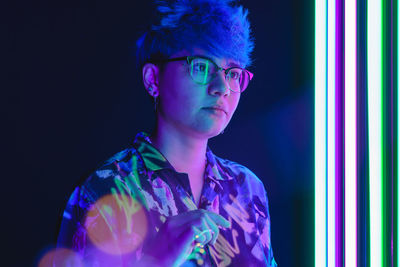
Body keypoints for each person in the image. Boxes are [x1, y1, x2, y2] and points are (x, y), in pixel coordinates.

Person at [56, 0, 277, 266]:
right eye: (201, 66)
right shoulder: (106, 191)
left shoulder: (248, 190)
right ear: (153, 79)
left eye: (232, 73)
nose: (222, 87)